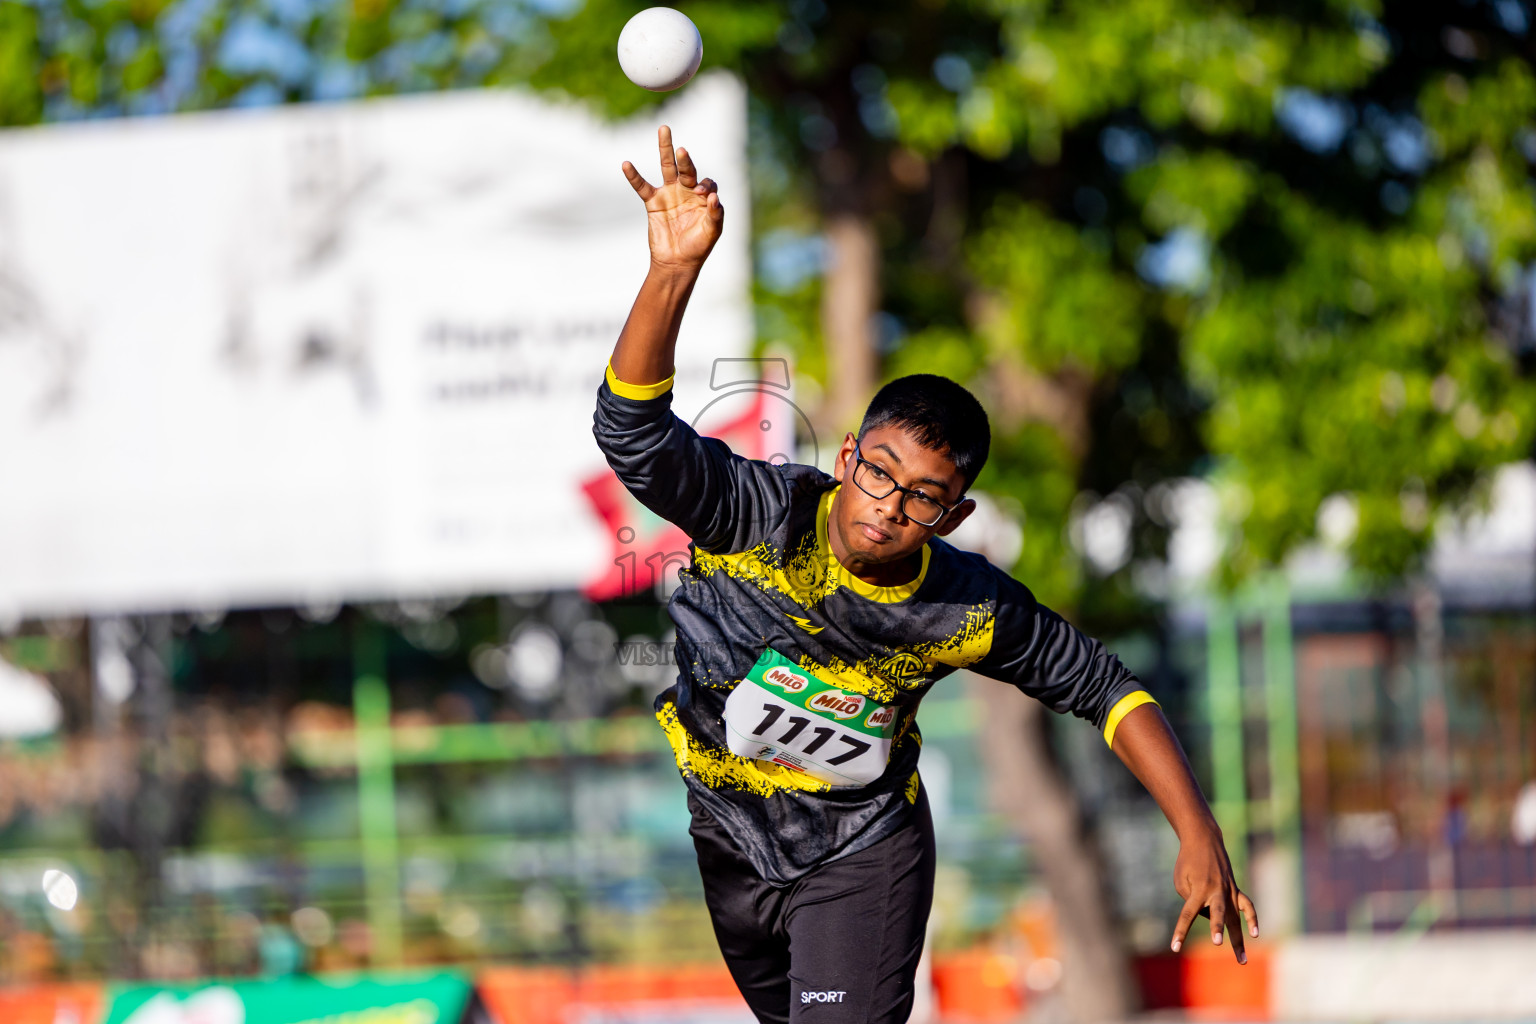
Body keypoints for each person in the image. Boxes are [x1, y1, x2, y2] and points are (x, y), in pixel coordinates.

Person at [593, 125, 1257, 1024]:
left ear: (955, 516)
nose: (887, 507)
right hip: (730, 836)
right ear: (851, 453)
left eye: (922, 499)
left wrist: (1197, 827)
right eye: (878, 473)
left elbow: (1106, 687)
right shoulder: (754, 512)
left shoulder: (962, 604)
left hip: (865, 853)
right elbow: (632, 433)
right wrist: (672, 270)